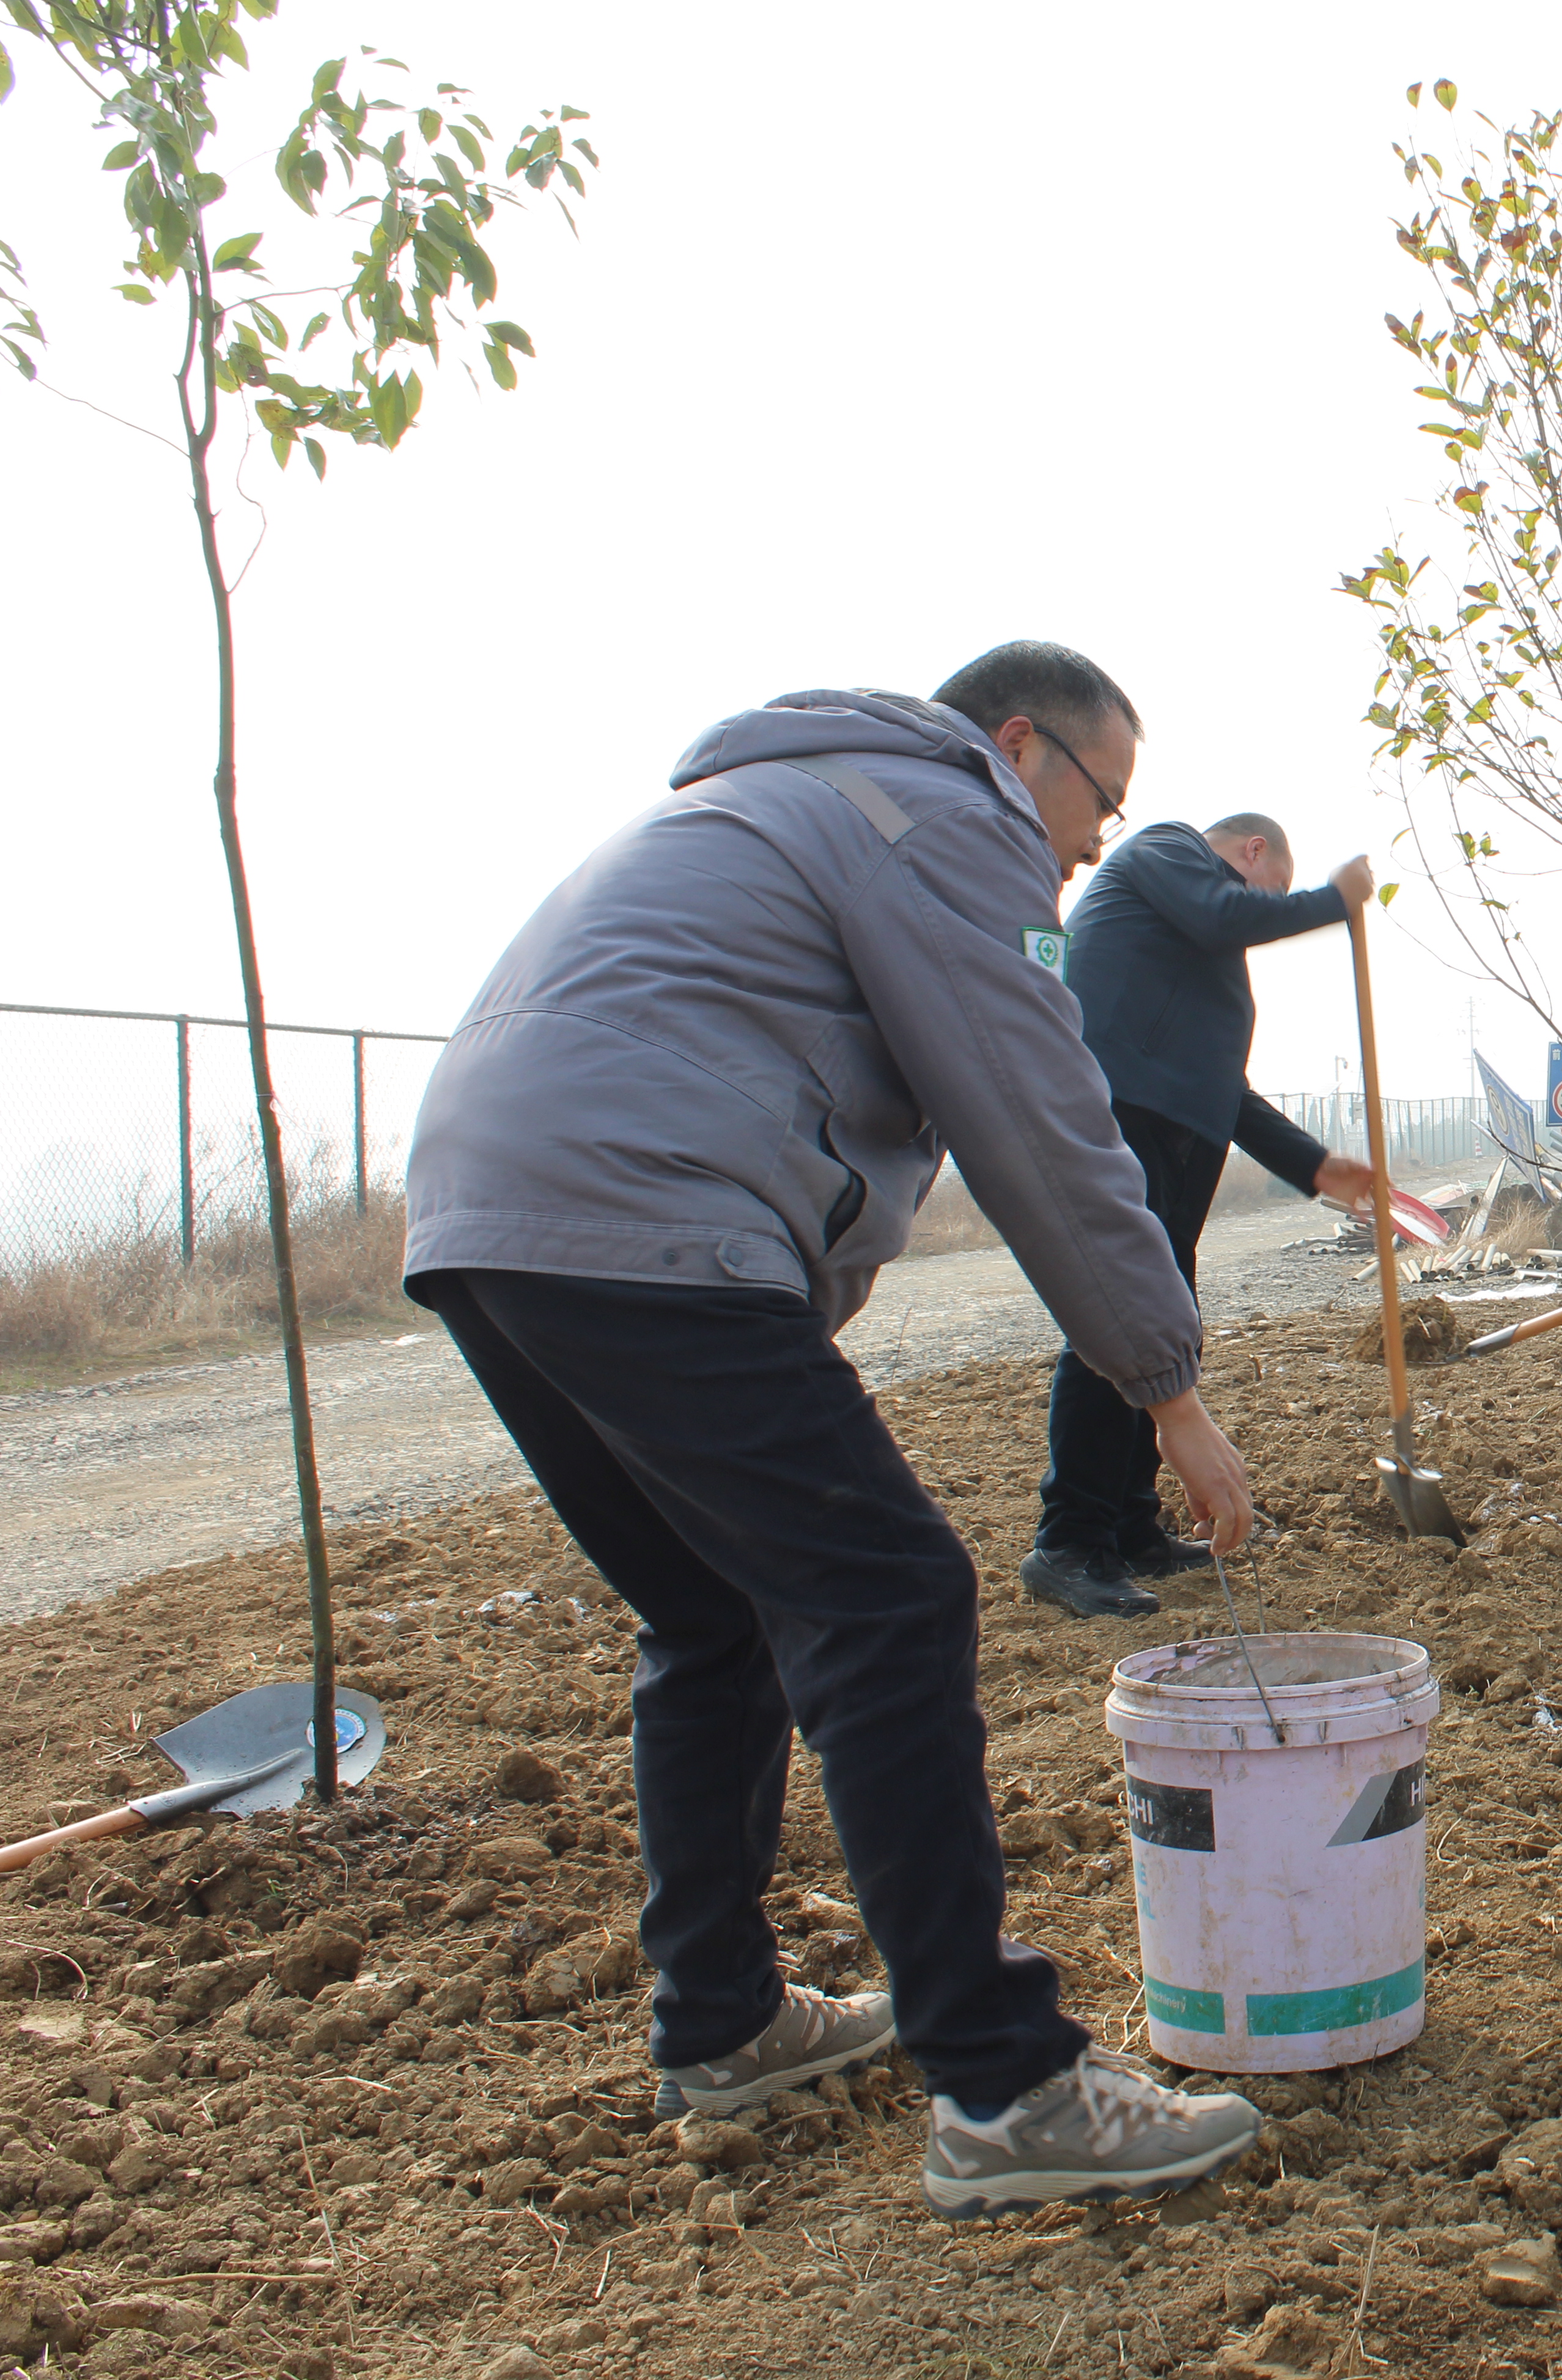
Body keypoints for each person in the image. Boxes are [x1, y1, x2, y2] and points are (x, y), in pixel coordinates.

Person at [402, 642, 1270, 2218]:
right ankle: (1003, 2085)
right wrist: (1169, 1390)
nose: (1088, 851)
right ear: (1022, 744)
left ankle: (723, 2020)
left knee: (713, 1611)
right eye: (1100, 804)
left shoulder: (789, 795)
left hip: (491, 1204)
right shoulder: (946, 814)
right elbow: (1038, 1114)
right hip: (636, 1202)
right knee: (891, 1593)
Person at [1023, 812, 1379, 1617]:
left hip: (1176, 1133)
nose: (1268, 909)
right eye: (1274, 889)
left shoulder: (1188, 949)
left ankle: (1130, 1526)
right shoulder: (1169, 851)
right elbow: (1228, 914)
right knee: (1116, 1319)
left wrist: (1311, 1163)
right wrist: (1333, 900)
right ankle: (1070, 1541)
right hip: (1119, 1116)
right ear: (1252, 851)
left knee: (1164, 1324)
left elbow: (1220, 1085)